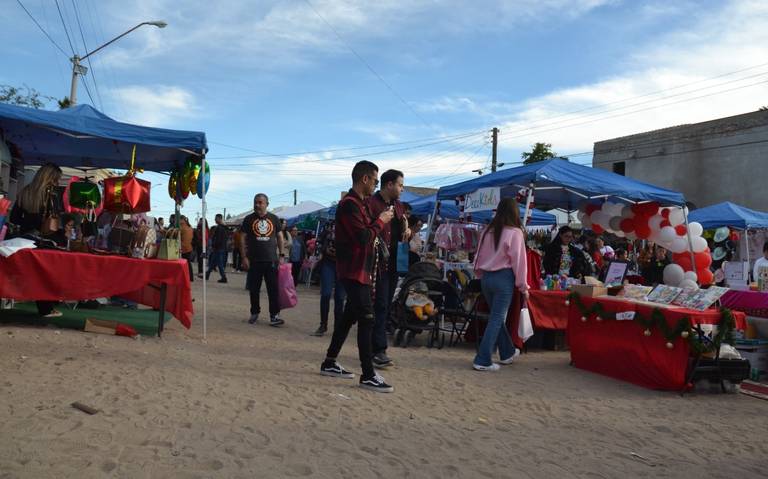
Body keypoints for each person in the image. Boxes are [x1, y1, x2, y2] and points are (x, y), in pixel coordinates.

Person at [320, 160, 395, 393]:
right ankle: (368, 375)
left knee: (348, 319)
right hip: (353, 271)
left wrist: (380, 219)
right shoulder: (349, 204)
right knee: (367, 319)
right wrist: (381, 222)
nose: (375, 184)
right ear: (364, 179)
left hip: (360, 270)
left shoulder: (360, 204)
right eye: (374, 179)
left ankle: (329, 362)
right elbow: (362, 237)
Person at [472, 198, 529, 371]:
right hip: (503, 278)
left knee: (496, 318)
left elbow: (478, 256)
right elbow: (519, 262)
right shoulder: (515, 232)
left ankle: (507, 352)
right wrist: (523, 286)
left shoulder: (488, 230)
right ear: (515, 212)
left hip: (486, 278)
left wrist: (480, 273)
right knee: (497, 319)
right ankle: (483, 359)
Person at [10, 163, 64, 317]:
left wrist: (28, 223)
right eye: (56, 179)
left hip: (24, 239)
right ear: (51, 179)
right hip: (45, 240)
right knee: (47, 275)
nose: (58, 183)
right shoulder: (51, 195)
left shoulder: (25, 192)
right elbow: (54, 220)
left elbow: (14, 217)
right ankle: (46, 308)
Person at [366, 169, 408, 368]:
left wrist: (406, 228)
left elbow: (402, 223)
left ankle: (373, 348)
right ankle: (378, 350)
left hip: (393, 264)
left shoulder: (398, 206)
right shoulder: (371, 204)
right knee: (379, 305)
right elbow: (367, 231)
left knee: (384, 305)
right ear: (389, 184)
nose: (402, 189)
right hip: (376, 264)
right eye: (400, 185)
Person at [240, 193, 285, 327]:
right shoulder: (248, 219)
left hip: (271, 260)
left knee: (273, 289)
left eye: (260, 202)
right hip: (253, 260)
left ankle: (274, 316)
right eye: (255, 202)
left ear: (267, 204)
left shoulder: (274, 218)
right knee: (254, 289)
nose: (257, 205)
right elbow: (242, 238)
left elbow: (280, 237)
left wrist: (281, 255)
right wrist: (244, 257)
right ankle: (254, 312)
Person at [311, 221, 347, 336]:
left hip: (344, 265)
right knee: (326, 294)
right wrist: (322, 251)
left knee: (340, 298)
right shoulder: (328, 227)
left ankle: (338, 327)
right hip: (328, 263)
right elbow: (319, 242)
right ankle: (323, 325)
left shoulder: (352, 226)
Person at [205, 213, 229, 283]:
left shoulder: (220, 228)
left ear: (219, 219)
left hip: (218, 248)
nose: (215, 220)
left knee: (220, 264)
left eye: (216, 218)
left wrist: (214, 245)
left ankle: (224, 277)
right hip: (220, 247)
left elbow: (218, 239)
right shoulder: (224, 227)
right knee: (212, 262)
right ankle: (207, 274)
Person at [180, 216, 195, 282]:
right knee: (188, 263)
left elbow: (174, 234)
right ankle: (191, 277)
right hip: (189, 247)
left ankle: (187, 277)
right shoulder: (190, 227)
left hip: (183, 248)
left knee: (185, 264)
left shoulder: (182, 227)